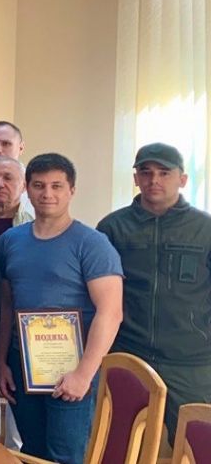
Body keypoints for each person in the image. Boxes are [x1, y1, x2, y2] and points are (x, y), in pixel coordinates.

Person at [0, 154, 123, 464]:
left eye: (56, 186)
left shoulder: (93, 243)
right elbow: (6, 306)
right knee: (31, 451)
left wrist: (84, 373)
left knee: (65, 456)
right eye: (39, 185)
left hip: (72, 368)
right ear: (27, 189)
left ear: (71, 190)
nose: (47, 194)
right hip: (23, 366)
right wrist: (1, 361)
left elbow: (111, 312)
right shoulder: (9, 241)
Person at [98, 143, 211, 444]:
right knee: (120, 443)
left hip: (190, 361)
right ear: (136, 178)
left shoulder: (205, 229)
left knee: (197, 445)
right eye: (146, 172)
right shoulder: (112, 228)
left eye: (164, 173)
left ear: (182, 179)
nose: (154, 180)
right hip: (128, 353)